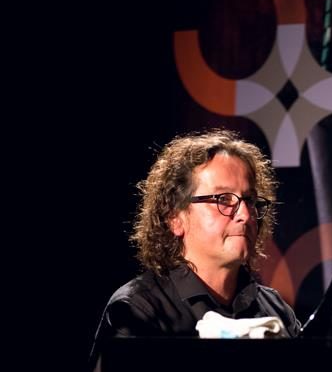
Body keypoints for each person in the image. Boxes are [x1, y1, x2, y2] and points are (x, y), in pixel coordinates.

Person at [89, 129, 300, 370]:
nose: (245, 214)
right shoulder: (139, 310)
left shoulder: (275, 310)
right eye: (223, 199)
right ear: (175, 218)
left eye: (250, 200)